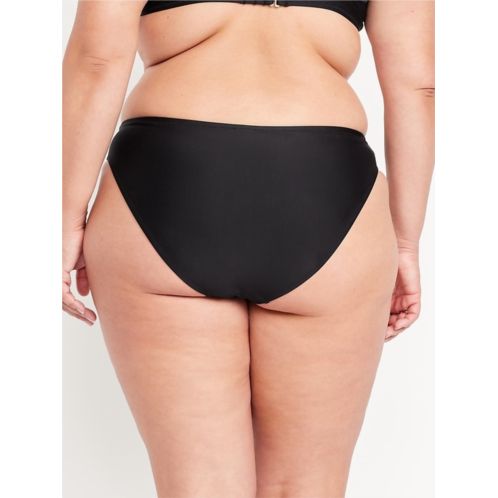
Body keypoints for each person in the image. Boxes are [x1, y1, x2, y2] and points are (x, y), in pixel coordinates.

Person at [62, 0, 435, 496]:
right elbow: (418, 87)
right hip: (325, 189)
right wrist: (405, 243)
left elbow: (96, 59)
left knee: (200, 487)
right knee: (306, 487)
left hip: (167, 182)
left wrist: (67, 220)